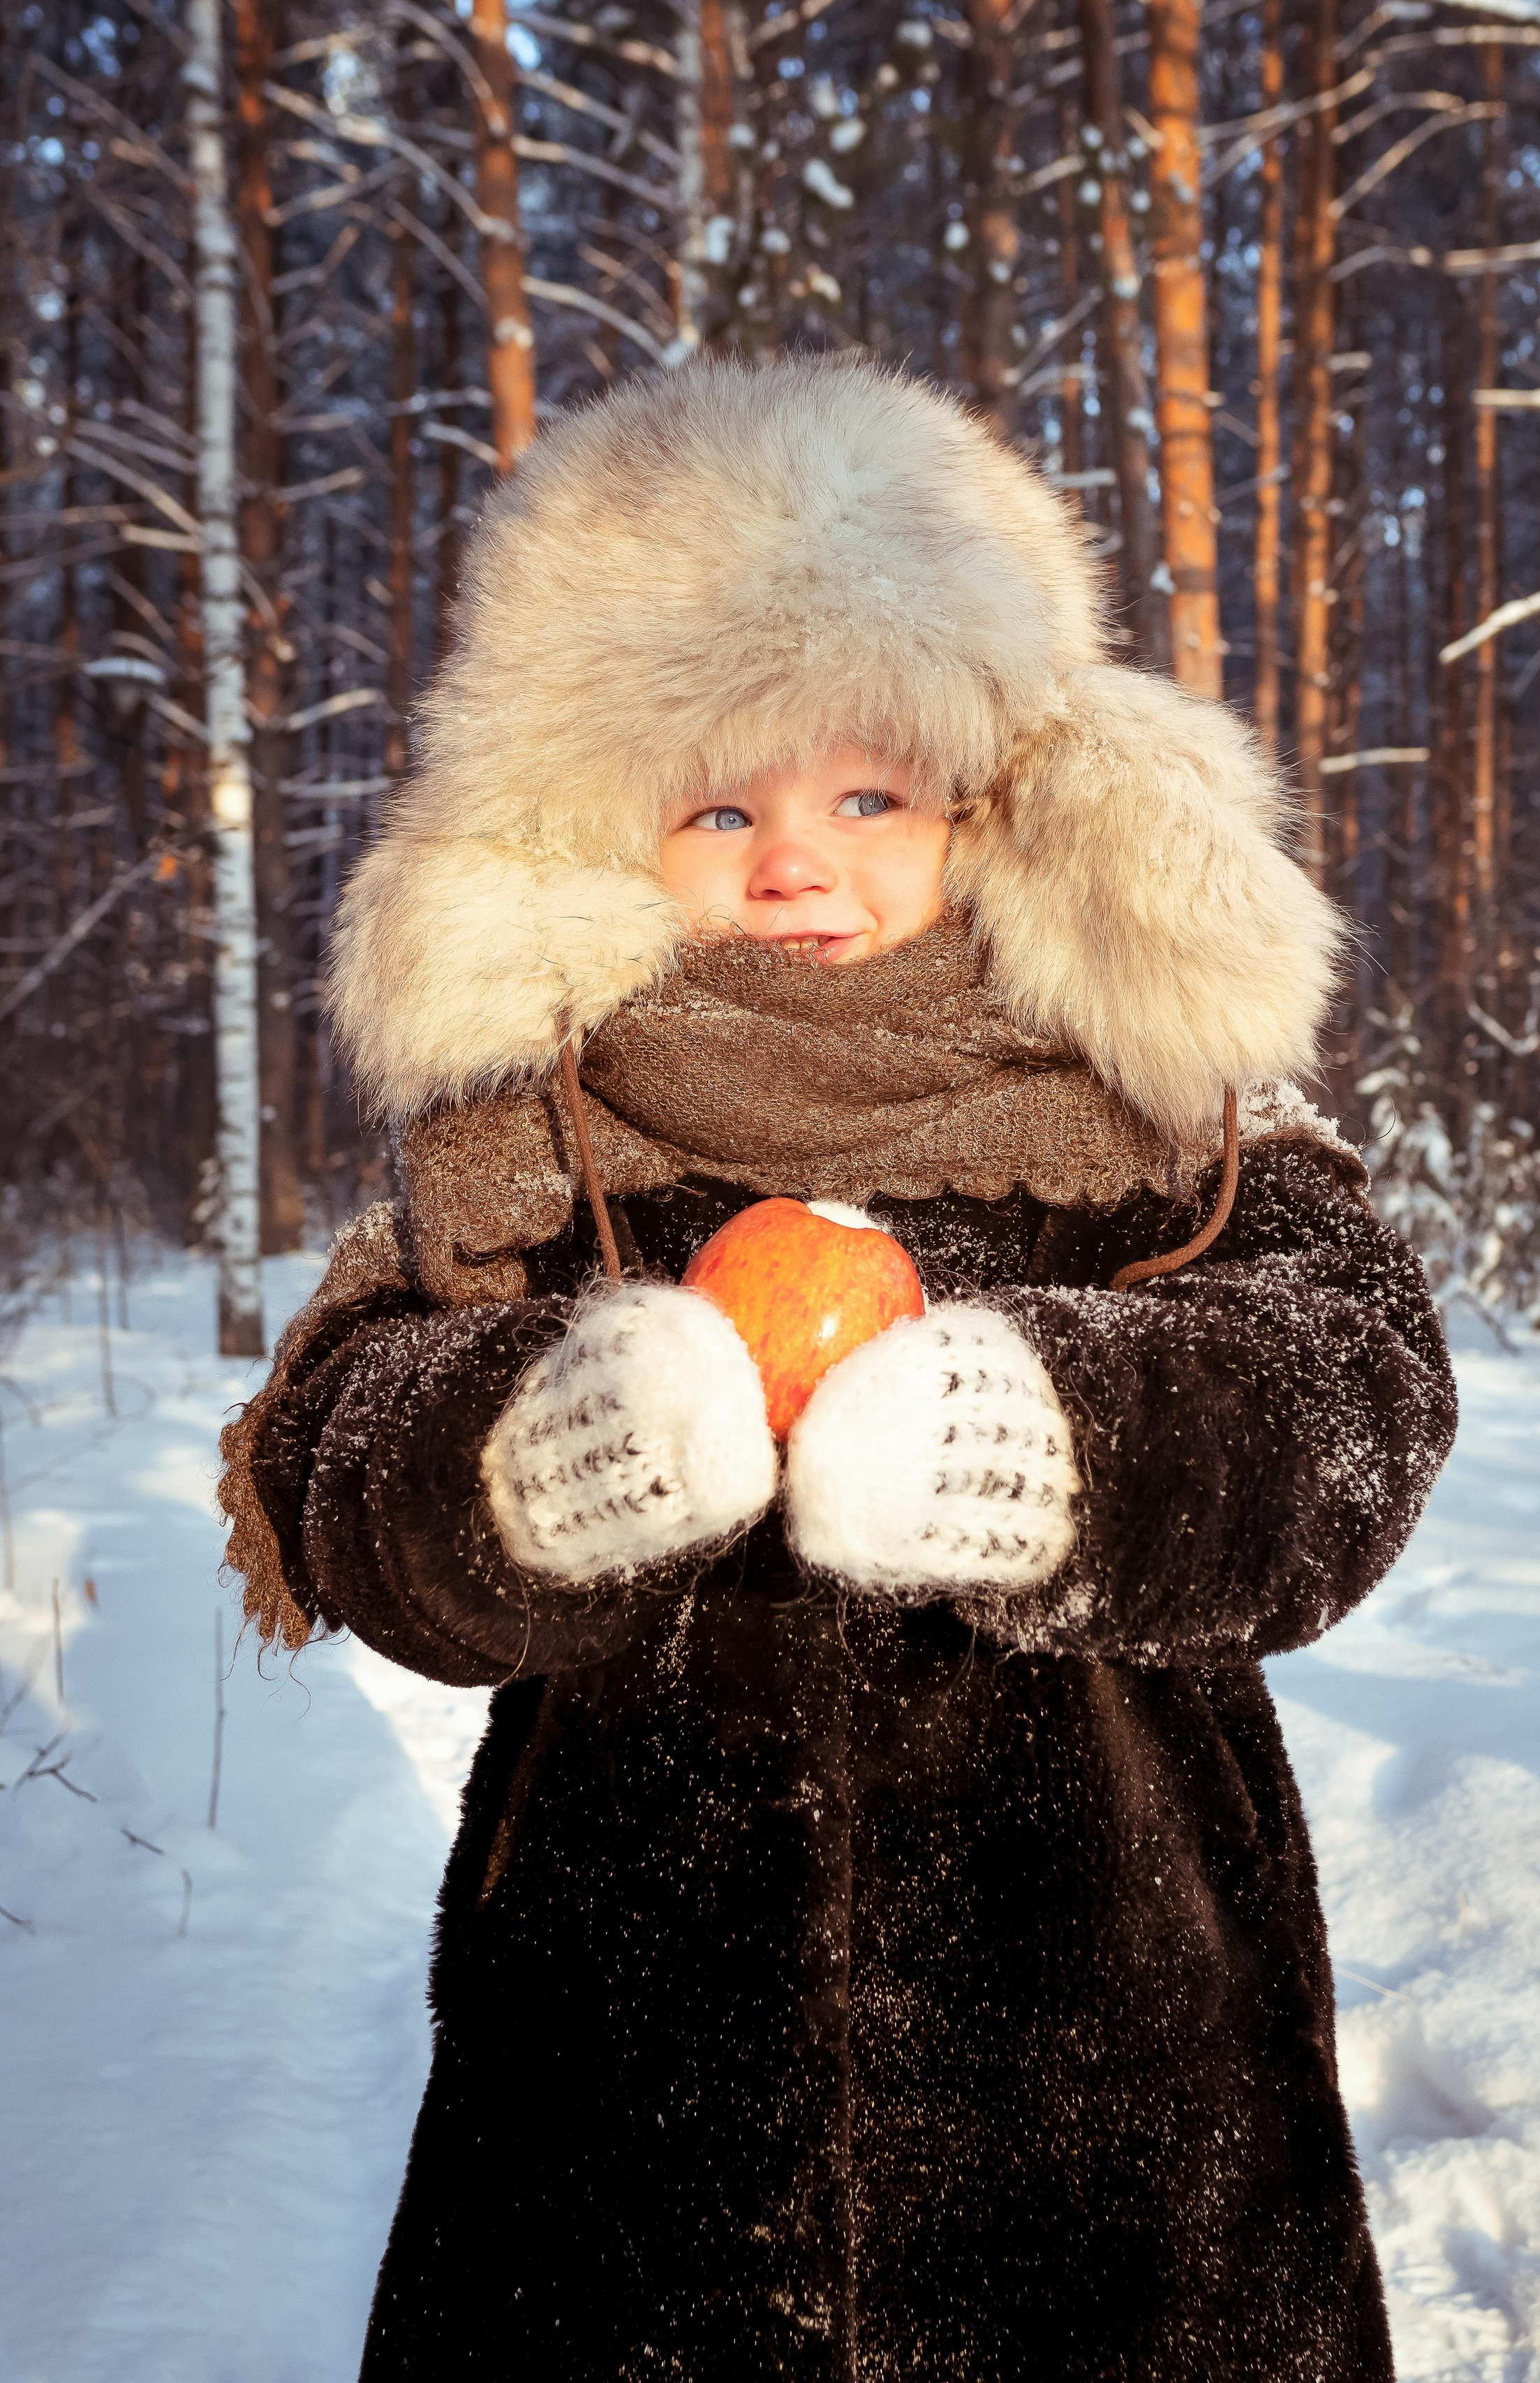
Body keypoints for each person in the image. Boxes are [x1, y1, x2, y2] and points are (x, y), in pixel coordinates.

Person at [221, 355, 1456, 2382]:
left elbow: (1350, 1393)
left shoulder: (1151, 1118)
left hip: (1129, 2128)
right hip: (623, 2149)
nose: (801, 864)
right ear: (603, 828)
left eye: (868, 793)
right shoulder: (550, 1148)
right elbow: (339, 1461)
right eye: (724, 805)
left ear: (990, 800)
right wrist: (525, 1458)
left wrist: (1075, 1443)